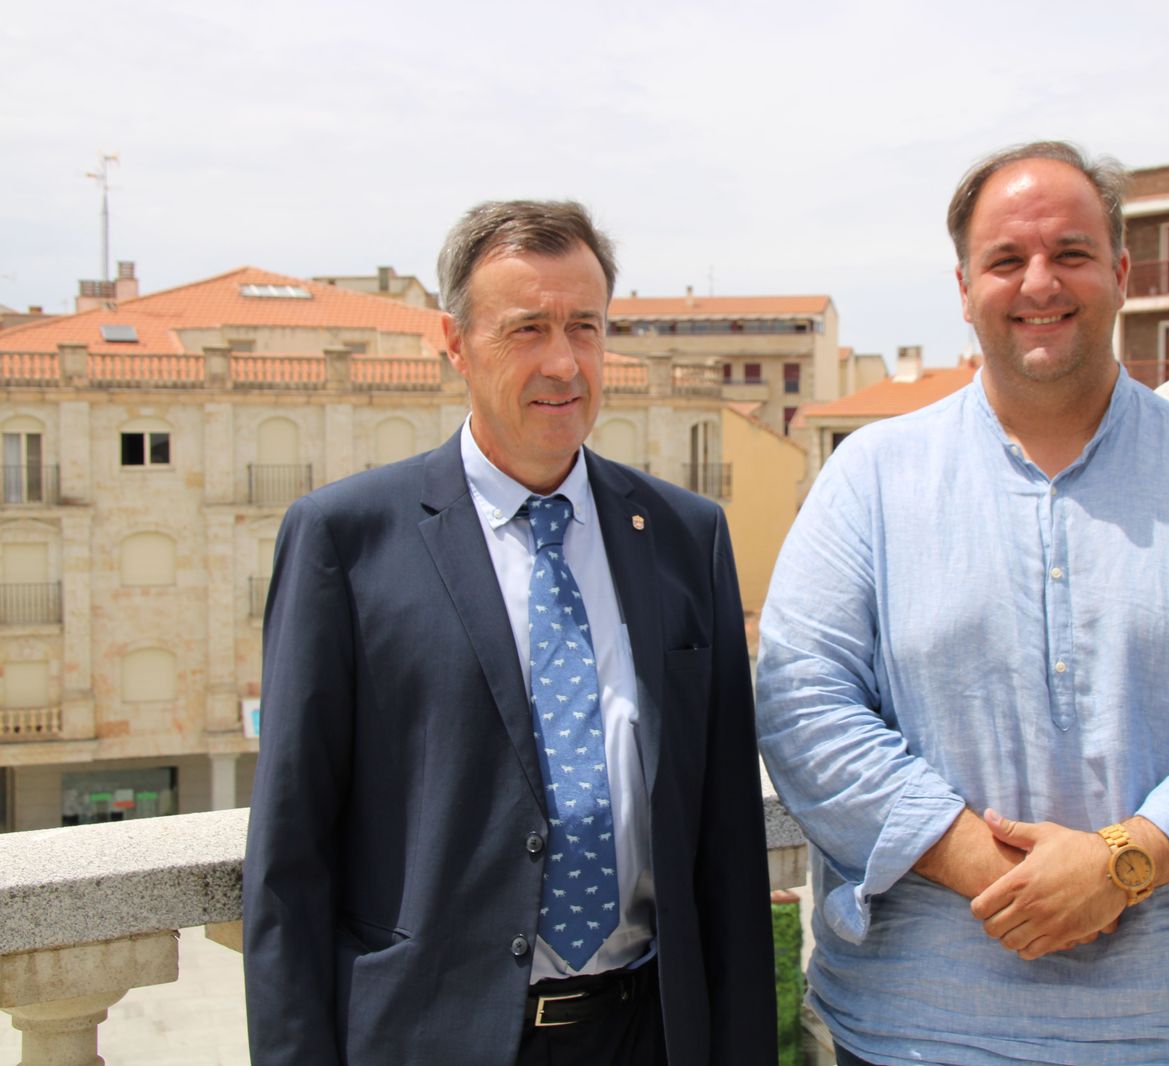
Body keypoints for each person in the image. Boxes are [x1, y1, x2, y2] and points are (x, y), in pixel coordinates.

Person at [755, 142, 1169, 1064]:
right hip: (921, 1029)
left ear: (1119, 273)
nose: (1040, 282)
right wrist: (998, 874)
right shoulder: (869, 480)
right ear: (964, 288)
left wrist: (1123, 862)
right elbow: (804, 708)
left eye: (1070, 253)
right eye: (1007, 260)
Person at [244, 200, 777, 1066]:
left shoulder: (687, 537)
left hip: (649, 1030)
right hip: (434, 1036)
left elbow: (725, 843)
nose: (563, 362)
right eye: (526, 328)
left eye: (585, 327)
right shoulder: (347, 539)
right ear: (453, 344)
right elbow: (290, 857)